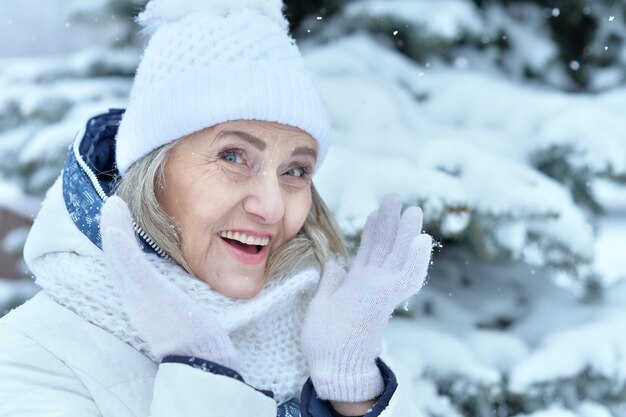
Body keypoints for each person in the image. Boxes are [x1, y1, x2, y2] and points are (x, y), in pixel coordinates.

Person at [0, 1, 433, 416]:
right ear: (152, 171)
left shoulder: (325, 331)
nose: (271, 207)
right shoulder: (27, 358)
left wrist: (352, 391)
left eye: (296, 170)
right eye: (232, 156)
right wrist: (201, 373)